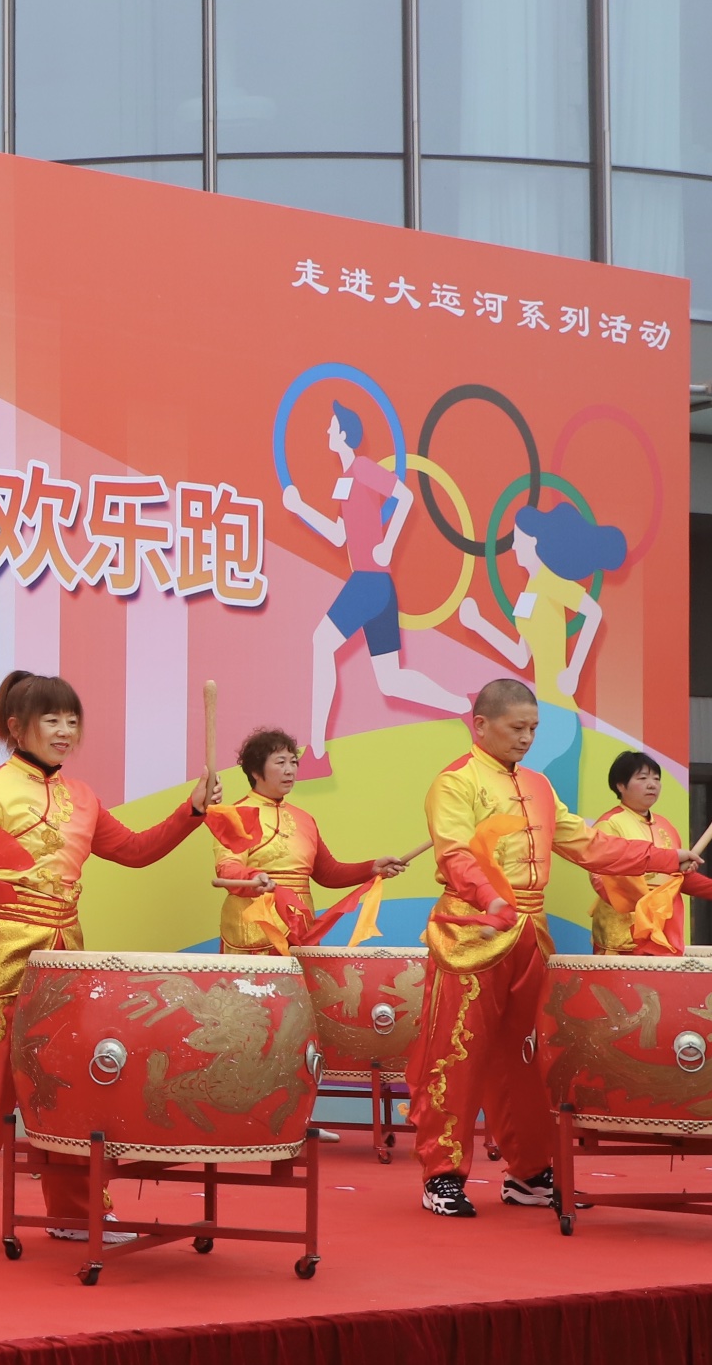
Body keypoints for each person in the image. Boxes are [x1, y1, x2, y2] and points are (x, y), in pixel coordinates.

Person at [0, 672, 216, 1255]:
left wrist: (193, 809)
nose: (64, 730)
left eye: (71, 720)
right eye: (51, 719)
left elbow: (135, 851)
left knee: (69, 1090)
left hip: (63, 960)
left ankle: (75, 1212)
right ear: (16, 727)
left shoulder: (83, 798)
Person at [411, 678, 691, 1219]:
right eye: (517, 727)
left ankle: (530, 1171)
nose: (526, 738)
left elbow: (588, 845)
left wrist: (662, 858)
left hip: (530, 935)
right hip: (472, 931)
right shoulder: (455, 783)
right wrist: (491, 898)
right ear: (481, 725)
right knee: (458, 1053)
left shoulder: (538, 786)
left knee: (528, 1057)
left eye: (533, 728)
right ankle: (441, 1174)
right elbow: (455, 855)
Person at [288, 403, 465, 764]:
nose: (327, 432)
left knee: (322, 642)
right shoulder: (345, 480)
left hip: (369, 582)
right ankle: (464, 705)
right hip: (376, 587)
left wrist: (388, 544)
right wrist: (300, 507)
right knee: (391, 680)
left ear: (344, 434)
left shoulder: (363, 468)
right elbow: (339, 535)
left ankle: (317, 754)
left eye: (331, 427)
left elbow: (405, 496)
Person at [454, 501, 628, 799]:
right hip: (547, 714)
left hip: (557, 713)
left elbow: (593, 612)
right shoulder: (530, 593)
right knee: (543, 807)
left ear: (533, 542)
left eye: (518, 539)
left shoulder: (549, 580)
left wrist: (573, 671)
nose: (513, 547)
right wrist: (479, 624)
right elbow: (521, 654)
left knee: (525, 797)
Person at [210, 727, 408, 956]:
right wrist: (253, 878)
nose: (290, 770)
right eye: (280, 762)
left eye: (293, 762)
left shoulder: (305, 819)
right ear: (255, 770)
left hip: (300, 929)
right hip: (255, 931)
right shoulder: (234, 814)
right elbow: (228, 869)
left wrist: (372, 868)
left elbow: (328, 873)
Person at [589, 749, 712, 955]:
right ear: (621, 785)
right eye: (642, 778)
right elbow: (599, 877)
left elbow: (680, 879)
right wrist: (644, 903)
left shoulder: (666, 826)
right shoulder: (610, 824)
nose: (652, 784)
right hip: (625, 932)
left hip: (664, 928)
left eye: (656, 778)